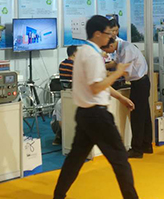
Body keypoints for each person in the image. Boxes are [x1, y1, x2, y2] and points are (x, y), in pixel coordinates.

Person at [53, 16, 139, 199]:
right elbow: (97, 87)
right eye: (108, 33)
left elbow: (98, 83)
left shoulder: (84, 52)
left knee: (75, 158)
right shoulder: (92, 56)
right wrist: (117, 72)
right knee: (120, 159)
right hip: (97, 116)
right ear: (98, 34)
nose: (110, 37)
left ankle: (58, 194)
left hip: (85, 113)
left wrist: (120, 98)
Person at [101, 38, 152, 159]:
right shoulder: (121, 48)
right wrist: (103, 66)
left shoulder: (126, 50)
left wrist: (104, 74)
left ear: (111, 45)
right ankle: (146, 145)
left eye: (107, 50)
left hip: (139, 83)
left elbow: (123, 71)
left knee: (137, 117)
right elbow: (116, 63)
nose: (107, 53)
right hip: (140, 83)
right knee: (144, 115)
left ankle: (137, 149)